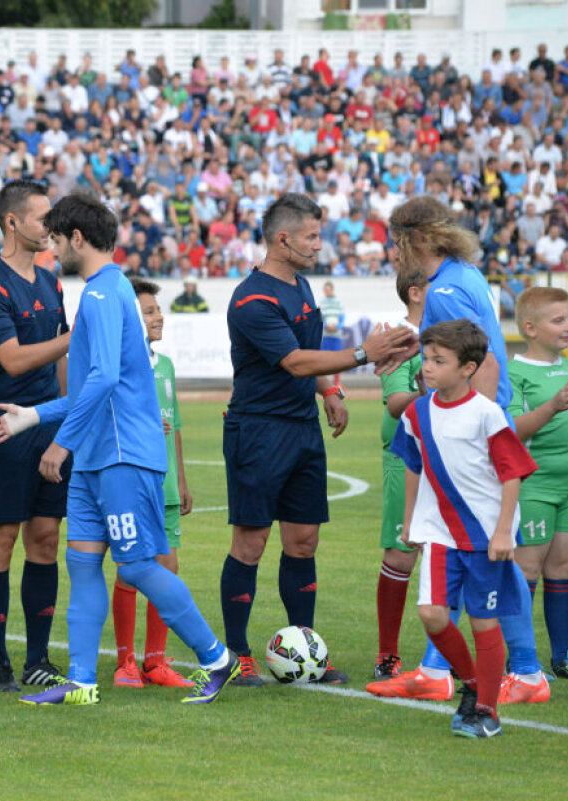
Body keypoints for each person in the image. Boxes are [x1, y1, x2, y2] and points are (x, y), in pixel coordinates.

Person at [0, 191, 239, 706]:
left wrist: (59, 443)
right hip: (99, 459)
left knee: (140, 566)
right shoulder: (105, 289)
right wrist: (31, 417)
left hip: (121, 455)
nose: (52, 251)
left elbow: (102, 380)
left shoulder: (102, 293)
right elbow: (88, 387)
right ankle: (80, 681)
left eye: (56, 240)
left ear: (77, 238)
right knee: (81, 564)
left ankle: (217, 658)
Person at [220, 193, 416, 687]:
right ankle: (237, 654)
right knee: (251, 541)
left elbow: (309, 358)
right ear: (283, 239)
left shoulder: (302, 285)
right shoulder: (251, 299)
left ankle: (306, 649)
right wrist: (360, 354)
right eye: (311, 236)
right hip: (259, 430)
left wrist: (330, 390)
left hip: (302, 429)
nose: (319, 244)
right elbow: (294, 361)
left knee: (304, 542)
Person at [386, 196, 549, 707]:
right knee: (466, 551)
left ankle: (520, 669)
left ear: (416, 238)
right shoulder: (465, 275)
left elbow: (481, 362)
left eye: (396, 240)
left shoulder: (446, 289)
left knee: (475, 551)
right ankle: (450, 669)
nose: (393, 252)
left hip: (469, 438)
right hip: (478, 427)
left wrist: (469, 422)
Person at [391, 319, 537, 738]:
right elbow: (413, 464)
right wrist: (411, 519)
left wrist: (504, 530)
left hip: (484, 538)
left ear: (468, 368)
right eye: (426, 358)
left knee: (484, 623)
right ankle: (472, 685)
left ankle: (487, 712)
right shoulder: (417, 412)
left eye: (440, 360)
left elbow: (512, 473)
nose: (428, 367)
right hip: (439, 534)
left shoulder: (487, 415)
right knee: (432, 614)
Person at [0, 179, 71, 692]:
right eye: (41, 217)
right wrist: (78, 335)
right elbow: (12, 359)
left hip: (49, 422)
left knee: (46, 539)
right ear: (12, 222)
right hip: (2, 425)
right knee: (2, 541)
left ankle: (37, 657)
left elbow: (64, 359)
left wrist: (68, 421)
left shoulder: (52, 282)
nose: (50, 227)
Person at [111, 279, 193, 689]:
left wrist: (181, 479)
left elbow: (173, 424)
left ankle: (155, 662)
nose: (158, 316)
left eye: (158, 310)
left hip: (165, 486)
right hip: (132, 481)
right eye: (148, 311)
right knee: (131, 570)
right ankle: (125, 661)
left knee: (168, 568)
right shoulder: (121, 365)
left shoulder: (166, 367)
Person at [366, 267, 430, 686]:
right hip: (406, 459)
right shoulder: (398, 335)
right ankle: (387, 655)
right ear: (416, 293)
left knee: (448, 555)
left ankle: (440, 656)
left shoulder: (448, 335)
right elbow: (395, 404)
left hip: (449, 460)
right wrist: (433, 392)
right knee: (402, 554)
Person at [507, 287, 568, 678]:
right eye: (558, 320)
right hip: (535, 484)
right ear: (530, 328)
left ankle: (564, 655)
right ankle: (521, 658)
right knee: (526, 568)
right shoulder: (514, 373)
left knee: (565, 566)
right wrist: (553, 405)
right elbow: (512, 430)